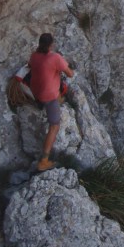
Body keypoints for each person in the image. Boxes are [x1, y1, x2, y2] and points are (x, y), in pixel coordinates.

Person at [28, 32, 74, 171]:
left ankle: (54, 99)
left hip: (35, 92)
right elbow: (70, 74)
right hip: (48, 97)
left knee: (54, 82)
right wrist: (61, 64)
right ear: (51, 45)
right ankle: (44, 160)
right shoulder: (55, 57)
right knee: (54, 126)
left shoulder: (34, 56)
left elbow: (31, 66)